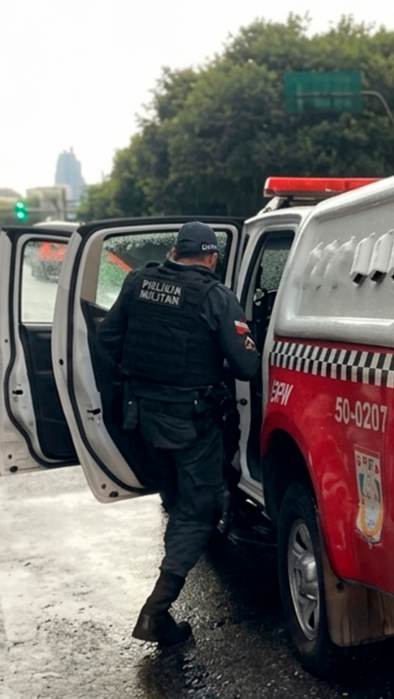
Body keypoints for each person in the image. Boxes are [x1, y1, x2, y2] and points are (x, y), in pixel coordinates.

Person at [98, 221, 261, 646]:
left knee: (175, 496)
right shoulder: (214, 296)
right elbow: (246, 366)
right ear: (211, 258)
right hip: (190, 424)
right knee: (198, 508)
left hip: (142, 418)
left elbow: (108, 336)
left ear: (175, 251)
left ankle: (186, 541)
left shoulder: (137, 283)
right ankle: (156, 613)